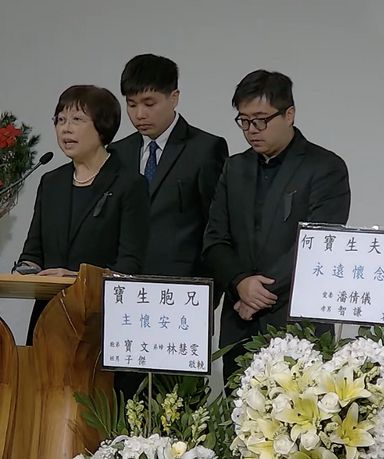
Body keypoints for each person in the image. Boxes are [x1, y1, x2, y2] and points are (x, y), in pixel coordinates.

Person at [202, 69, 351, 386]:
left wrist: (259, 293)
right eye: (244, 121)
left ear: (289, 114)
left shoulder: (325, 168)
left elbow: (319, 244)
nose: (251, 130)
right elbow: (214, 240)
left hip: (296, 323)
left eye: (260, 120)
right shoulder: (235, 167)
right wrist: (240, 283)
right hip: (239, 324)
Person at [108, 54, 229, 397]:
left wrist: (208, 299)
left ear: (174, 98)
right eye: (131, 105)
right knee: (123, 405)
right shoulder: (117, 153)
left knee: (175, 408)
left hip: (181, 303)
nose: (139, 115)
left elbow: (214, 228)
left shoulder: (206, 149)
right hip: (126, 303)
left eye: (149, 103)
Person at [14, 85, 150, 344]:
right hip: (49, 318)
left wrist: (76, 278)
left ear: (102, 127)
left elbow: (130, 268)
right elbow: (33, 252)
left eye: (77, 120)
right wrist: (26, 269)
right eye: (60, 120)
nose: (65, 129)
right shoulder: (51, 182)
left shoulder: (129, 184)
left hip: (100, 321)